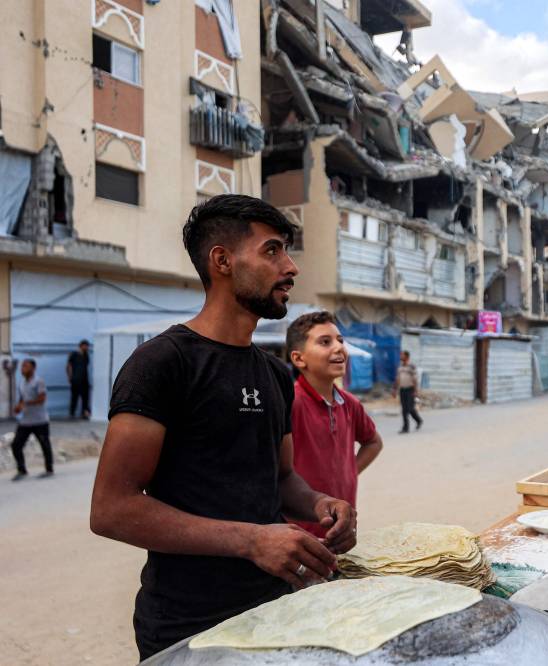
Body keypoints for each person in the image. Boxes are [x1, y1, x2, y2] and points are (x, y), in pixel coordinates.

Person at [90, 195, 357, 660]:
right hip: (187, 627)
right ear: (223, 261)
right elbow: (112, 509)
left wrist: (321, 503)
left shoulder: (275, 374)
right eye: (272, 251)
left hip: (276, 609)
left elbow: (280, 478)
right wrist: (252, 540)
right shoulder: (162, 363)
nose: (290, 267)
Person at [286, 310, 383, 534]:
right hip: (300, 530)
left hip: (342, 529)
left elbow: (373, 442)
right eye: (325, 342)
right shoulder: (291, 402)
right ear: (299, 358)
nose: (339, 348)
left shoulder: (349, 403)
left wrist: (349, 473)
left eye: (340, 340)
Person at [10, 359, 54, 480]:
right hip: (26, 421)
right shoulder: (22, 383)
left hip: (40, 420)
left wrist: (25, 403)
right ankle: (22, 470)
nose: (22, 368)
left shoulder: (38, 381)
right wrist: (18, 407)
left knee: (45, 444)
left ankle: (49, 469)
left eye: (26, 366)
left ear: (33, 368)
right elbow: (22, 399)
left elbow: (42, 399)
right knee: (15, 445)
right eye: (22, 366)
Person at [393, 351, 423, 434]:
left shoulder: (411, 366)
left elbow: (415, 379)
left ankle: (418, 420)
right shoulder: (400, 368)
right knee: (404, 410)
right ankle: (405, 428)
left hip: (410, 390)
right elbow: (397, 379)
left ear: (407, 357)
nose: (401, 356)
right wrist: (394, 389)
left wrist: (416, 391)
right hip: (402, 390)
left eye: (402, 355)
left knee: (410, 408)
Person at [67, 339, 91, 419]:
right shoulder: (74, 354)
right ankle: (72, 413)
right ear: (81, 346)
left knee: (85, 397)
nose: (87, 347)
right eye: (86, 346)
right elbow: (69, 366)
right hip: (76, 379)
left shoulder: (86, 355)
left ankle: (84, 413)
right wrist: (70, 377)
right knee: (74, 397)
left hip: (84, 379)